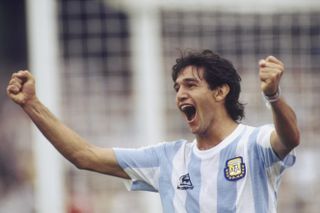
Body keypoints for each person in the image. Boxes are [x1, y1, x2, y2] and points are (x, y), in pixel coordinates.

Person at [7, 50, 300, 212]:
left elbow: (289, 138)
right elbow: (84, 155)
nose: (180, 94)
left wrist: (273, 96)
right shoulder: (168, 159)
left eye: (190, 85)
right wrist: (32, 104)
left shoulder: (253, 142)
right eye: (177, 88)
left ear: (220, 91)